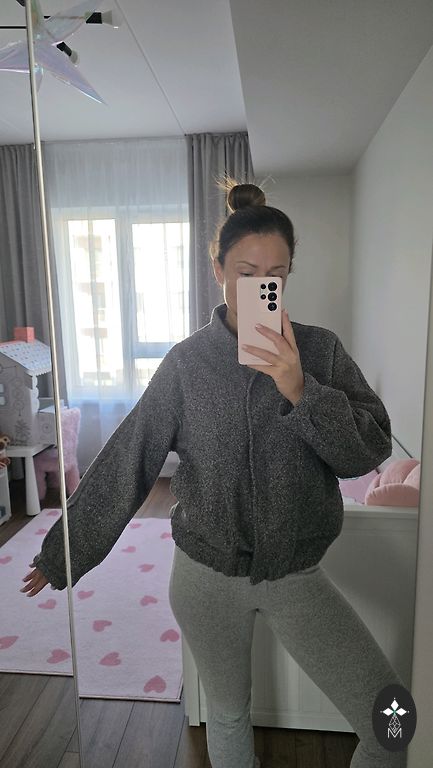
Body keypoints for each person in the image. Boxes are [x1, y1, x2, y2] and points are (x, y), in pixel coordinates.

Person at [21, 179, 406, 768]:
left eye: (276, 275)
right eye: (246, 274)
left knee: (392, 722)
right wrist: (63, 552)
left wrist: (300, 389)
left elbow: (367, 451)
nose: (262, 288)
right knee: (226, 716)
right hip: (205, 579)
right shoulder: (186, 365)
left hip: (296, 573)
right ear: (217, 270)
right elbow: (130, 456)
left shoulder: (320, 352)